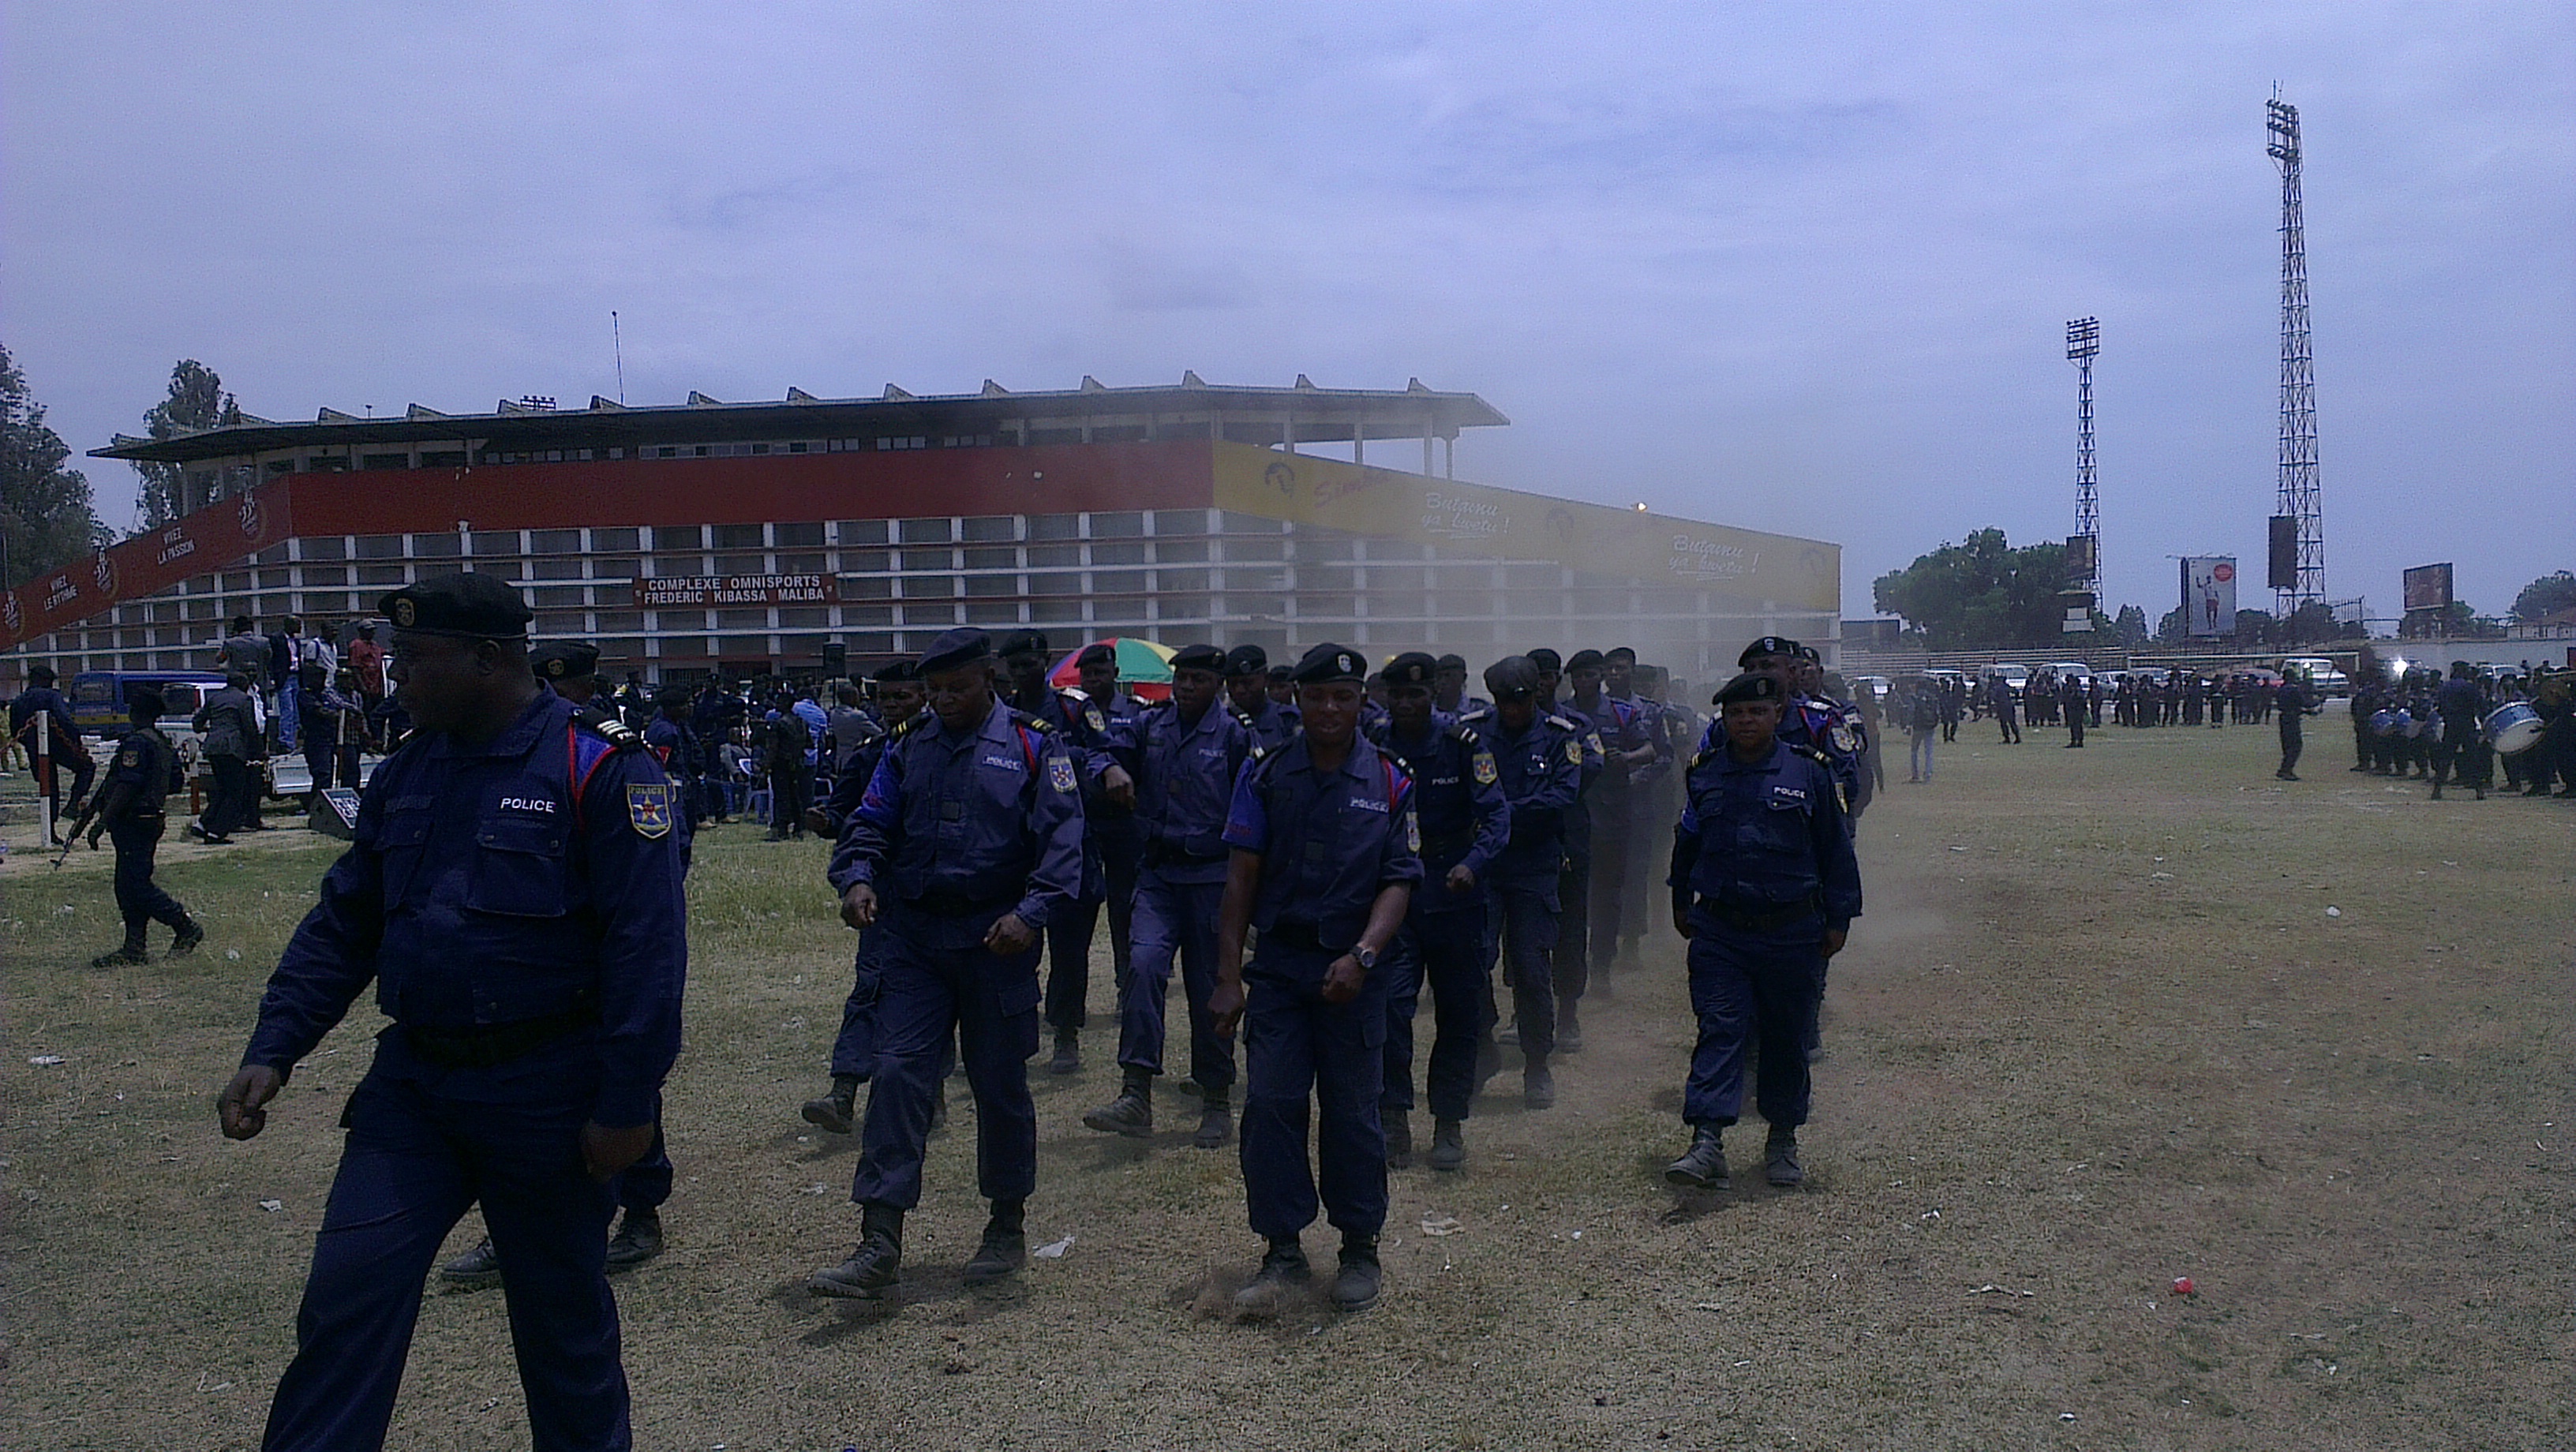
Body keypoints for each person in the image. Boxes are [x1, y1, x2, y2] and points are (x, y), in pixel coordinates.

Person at [215, 572, 687, 1452]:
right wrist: (276, 1045)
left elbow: (646, 953)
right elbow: (345, 923)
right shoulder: (407, 774)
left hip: (547, 1092)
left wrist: (627, 1106)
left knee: (562, 1332)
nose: (394, 674)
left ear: (486, 657)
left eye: (412, 656)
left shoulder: (601, 765)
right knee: (345, 1300)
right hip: (415, 1092)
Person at [809, 627, 1086, 1300]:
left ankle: (1005, 1223)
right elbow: (869, 824)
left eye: (957, 688)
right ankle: (879, 1239)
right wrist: (857, 878)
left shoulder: (1032, 745)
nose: (944, 701)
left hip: (998, 941)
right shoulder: (907, 749)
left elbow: (1063, 843)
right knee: (899, 1074)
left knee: (999, 1088)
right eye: (934, 691)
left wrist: (1031, 915)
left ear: (987, 678)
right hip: (916, 941)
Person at [1208, 642, 1421, 1315]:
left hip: (1355, 974)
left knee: (1354, 1112)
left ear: (1363, 702)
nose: (1330, 708)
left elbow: (1399, 881)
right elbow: (1240, 880)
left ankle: (1360, 1244)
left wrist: (1362, 955)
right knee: (1271, 1104)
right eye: (1317, 696)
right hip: (1282, 970)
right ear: (1296, 700)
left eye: (1344, 696)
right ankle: (1283, 1249)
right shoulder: (1267, 775)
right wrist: (1226, 979)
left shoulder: (1390, 780)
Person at [1662, 672, 1862, 1192]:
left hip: (1793, 932)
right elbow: (1687, 846)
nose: (1745, 721)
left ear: (1777, 715)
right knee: (1720, 1029)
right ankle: (1707, 1142)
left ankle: (1782, 1141)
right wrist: (1680, 900)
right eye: (1735, 714)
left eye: (1756, 712)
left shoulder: (1810, 773)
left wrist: (1839, 919)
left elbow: (1835, 852)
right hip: (1722, 930)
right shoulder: (1704, 774)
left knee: (1786, 1038)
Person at [1081, 643, 1262, 1147]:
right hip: (1158, 876)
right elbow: (1102, 751)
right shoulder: (1150, 726)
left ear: (1217, 686)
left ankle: (1216, 1099)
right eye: (1181, 679)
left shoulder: (1233, 737)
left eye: (1198, 680)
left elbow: (1252, 808)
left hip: (1211, 881)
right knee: (1142, 968)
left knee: (1212, 988)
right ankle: (1136, 1092)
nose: (1186, 688)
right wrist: (1108, 771)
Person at [1368, 653, 1507, 1172]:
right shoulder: (1374, 747)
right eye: (1397, 695)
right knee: (1390, 1011)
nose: (1405, 704)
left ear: (1434, 695)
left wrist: (1474, 864)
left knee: (1458, 1013)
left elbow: (1496, 816)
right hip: (1395, 894)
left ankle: (1448, 1123)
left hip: (1455, 892)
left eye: (1416, 695)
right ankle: (1393, 1119)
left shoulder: (1463, 746)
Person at [799, 661, 927, 1136]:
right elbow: (847, 816)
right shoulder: (875, 754)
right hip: (884, 891)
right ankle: (844, 1092)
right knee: (869, 990)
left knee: (937, 1000)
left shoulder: (947, 749)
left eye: (903, 698)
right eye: (886, 699)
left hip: (941, 896)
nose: (893, 706)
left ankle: (928, 1094)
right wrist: (824, 820)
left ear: (924, 698)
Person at [997, 629, 1121, 1073]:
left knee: (1070, 950)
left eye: (1029, 664)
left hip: (1071, 845)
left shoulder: (1074, 708)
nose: (1023, 673)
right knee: (1016, 948)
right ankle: (1016, 1033)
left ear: (1044, 661)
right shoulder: (1001, 717)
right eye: (1014, 667)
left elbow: (1103, 752)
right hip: (1018, 848)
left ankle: (1066, 1035)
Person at [1464, 656, 1586, 1113]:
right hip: (1483, 867)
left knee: (1533, 970)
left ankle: (1537, 1062)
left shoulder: (1559, 736)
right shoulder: (1473, 733)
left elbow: (1562, 795)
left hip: (1534, 864)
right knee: (1474, 963)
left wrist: (1499, 812)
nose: (1510, 709)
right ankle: (1482, 1044)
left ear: (1535, 693)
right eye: (1502, 701)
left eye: (1518, 700)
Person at [65, 687, 204, 967]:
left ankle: (183, 925)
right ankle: (133, 948)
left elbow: (127, 784)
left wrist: (101, 822)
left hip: (134, 820)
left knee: (136, 886)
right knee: (127, 885)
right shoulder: (161, 742)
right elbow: (175, 782)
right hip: (149, 818)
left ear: (134, 712)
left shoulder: (137, 743)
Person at [9, 663, 95, 839]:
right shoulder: (51, 696)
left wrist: (30, 745)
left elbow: (15, 731)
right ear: (46, 680)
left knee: (48, 789)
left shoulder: (18, 701)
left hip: (35, 749)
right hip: (60, 745)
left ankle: (51, 832)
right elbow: (65, 720)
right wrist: (76, 744)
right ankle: (73, 804)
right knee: (87, 767)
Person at [189, 671, 262, 844]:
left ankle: (203, 823)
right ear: (242, 685)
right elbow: (249, 727)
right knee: (235, 793)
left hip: (213, 746)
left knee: (222, 789)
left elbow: (198, 721)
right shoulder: (244, 700)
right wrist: (258, 751)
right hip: (232, 748)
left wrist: (205, 730)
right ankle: (216, 832)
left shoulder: (215, 698)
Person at [2430, 661, 2492, 801]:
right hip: (2467, 724)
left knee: (2446, 758)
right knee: (2473, 757)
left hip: (2450, 725)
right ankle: (2479, 790)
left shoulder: (2445, 687)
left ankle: (2437, 788)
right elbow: (2481, 706)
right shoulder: (2470, 687)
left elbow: (2439, 708)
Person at [2275, 668, 2316, 781]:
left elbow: (2292, 706)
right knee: (2295, 746)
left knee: (2287, 745)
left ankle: (2286, 769)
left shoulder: (2281, 690)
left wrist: (2308, 712)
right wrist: (2318, 702)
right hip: (2292, 720)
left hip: (2284, 718)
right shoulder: (2293, 690)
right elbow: (2304, 703)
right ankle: (2286, 770)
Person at [1904, 676, 1940, 783]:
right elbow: (1937, 712)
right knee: (1929, 751)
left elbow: (1911, 711)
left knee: (1914, 751)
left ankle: (1915, 775)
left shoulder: (1915, 698)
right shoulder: (1932, 698)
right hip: (1930, 726)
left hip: (1918, 727)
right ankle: (1928, 774)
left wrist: (1908, 725)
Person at [2059, 672, 2087, 748]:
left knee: (2076, 725)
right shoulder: (2072, 688)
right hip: (2074, 708)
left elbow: (2078, 699)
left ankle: (2077, 741)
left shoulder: (2075, 689)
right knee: (2075, 725)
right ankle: (2076, 741)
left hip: (2075, 709)